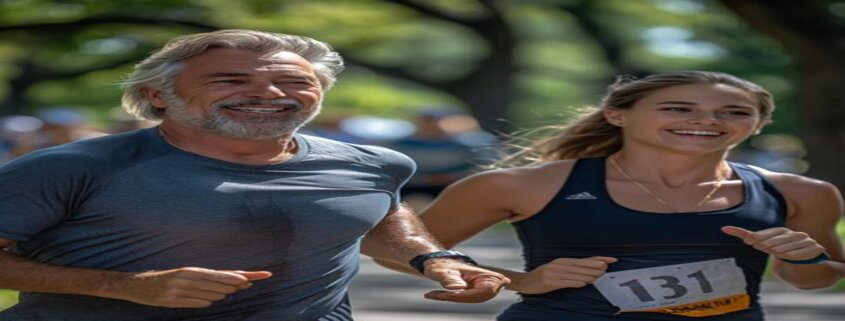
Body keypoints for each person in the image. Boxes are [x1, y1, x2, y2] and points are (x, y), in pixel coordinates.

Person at [0, 29, 509, 321]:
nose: (268, 94)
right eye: (229, 79)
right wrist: (125, 286)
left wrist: (434, 258)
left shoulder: (373, 164)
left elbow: (375, 213)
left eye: (293, 81)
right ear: (158, 94)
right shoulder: (71, 167)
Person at [380, 71, 845, 320]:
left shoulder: (801, 192)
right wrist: (517, 280)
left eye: (734, 111)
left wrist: (806, 260)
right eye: (677, 108)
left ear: (757, 125)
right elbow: (389, 248)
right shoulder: (525, 184)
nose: (707, 119)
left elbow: (815, 281)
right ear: (618, 116)